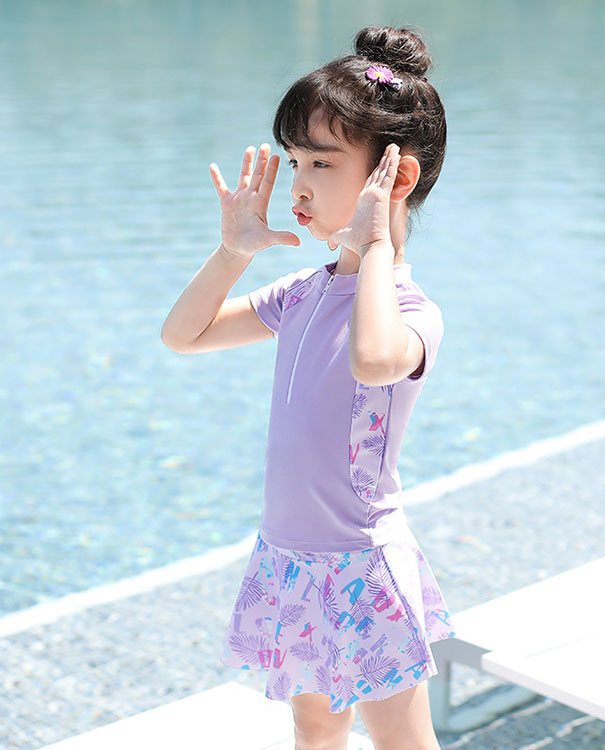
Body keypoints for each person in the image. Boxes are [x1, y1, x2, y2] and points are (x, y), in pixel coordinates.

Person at [161, 25, 455, 750]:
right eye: (294, 159)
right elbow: (184, 335)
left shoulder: (412, 313)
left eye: (321, 162)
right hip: (290, 558)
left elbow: (373, 360)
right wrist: (233, 252)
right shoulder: (300, 294)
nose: (298, 183)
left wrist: (376, 244)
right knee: (315, 726)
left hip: (363, 564)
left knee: (403, 742)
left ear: (396, 179)